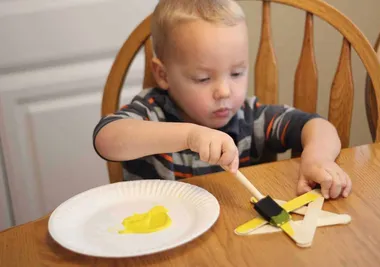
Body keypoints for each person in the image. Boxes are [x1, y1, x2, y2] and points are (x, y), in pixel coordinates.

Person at [93, 0, 351, 199]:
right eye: (203, 78)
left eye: (237, 73)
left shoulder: (250, 119)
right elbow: (106, 138)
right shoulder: (151, 113)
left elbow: (316, 126)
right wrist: (189, 136)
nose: (224, 92)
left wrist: (318, 158)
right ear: (163, 74)